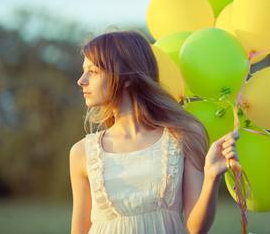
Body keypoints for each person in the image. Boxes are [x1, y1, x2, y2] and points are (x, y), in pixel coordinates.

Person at [70, 30, 240, 234]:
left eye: (93, 71)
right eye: (84, 71)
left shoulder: (183, 135)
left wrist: (212, 177)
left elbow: (196, 229)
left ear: (127, 78)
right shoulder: (82, 152)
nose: (81, 80)